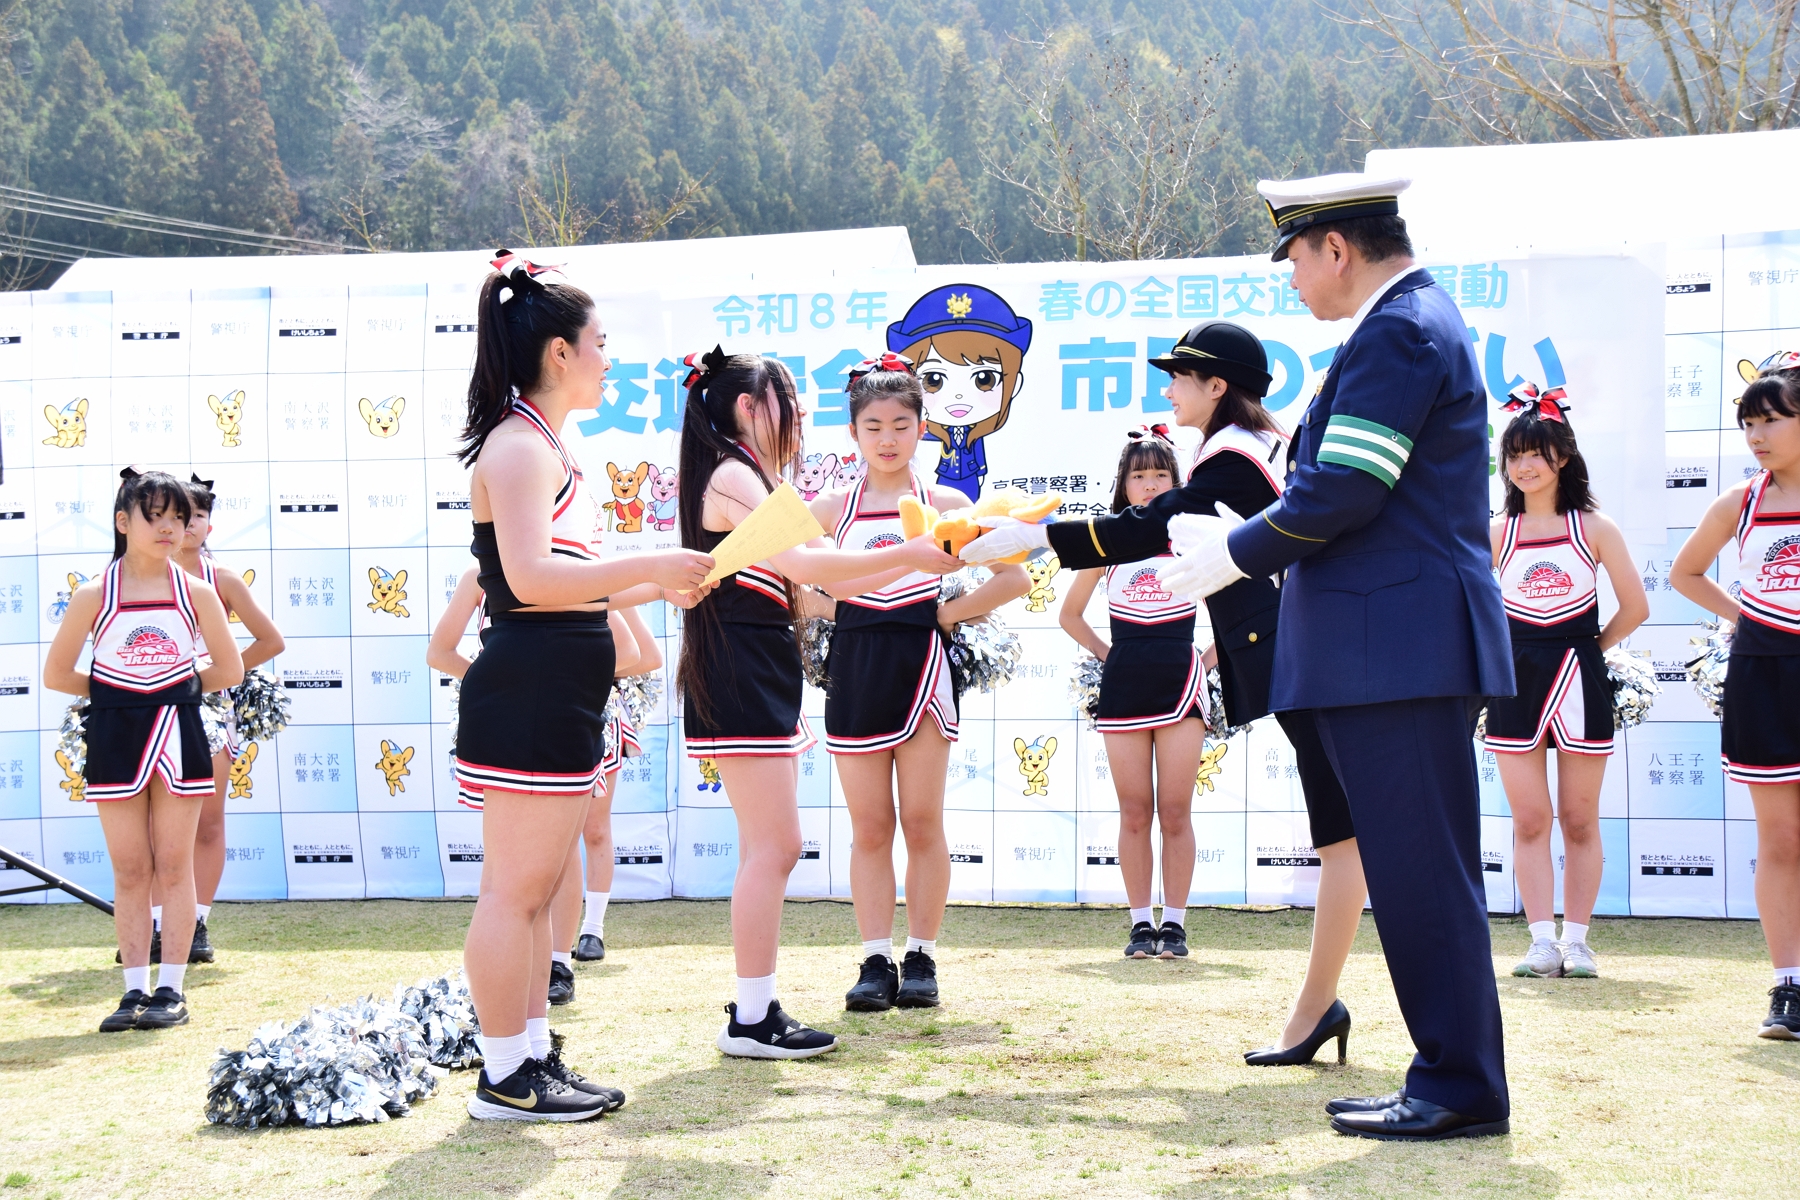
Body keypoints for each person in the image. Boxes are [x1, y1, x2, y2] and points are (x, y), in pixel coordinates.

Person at [1077, 175, 1515, 1139]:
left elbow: (1345, 488)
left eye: (1296, 260)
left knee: (1422, 872)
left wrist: (1228, 556)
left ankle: (1458, 1086)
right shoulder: (1403, 325)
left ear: (1337, 248)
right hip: (1391, 644)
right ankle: (1450, 1074)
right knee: (1415, 868)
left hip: (1396, 647)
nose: (1292, 281)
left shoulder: (1400, 331)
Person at [966, 322, 1365, 1066]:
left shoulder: (1234, 457)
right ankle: (1317, 1009)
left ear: (1217, 386)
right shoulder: (1251, 449)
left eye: (1179, 376)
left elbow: (1151, 527)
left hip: (1312, 654)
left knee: (1349, 835)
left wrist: (1037, 539)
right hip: (1307, 653)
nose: (1169, 389)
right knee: (1344, 836)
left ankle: (1327, 1010)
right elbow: (1157, 529)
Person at [453, 252, 713, 1122]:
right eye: (600, 343)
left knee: (537, 896)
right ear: (560, 352)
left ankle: (530, 1058)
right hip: (530, 687)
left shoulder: (545, 444)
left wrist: (661, 580)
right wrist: (651, 565)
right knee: (515, 895)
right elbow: (529, 581)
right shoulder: (520, 446)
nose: (609, 359)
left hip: (557, 688)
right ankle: (504, 1076)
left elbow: (575, 578)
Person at [676, 346, 963, 1058]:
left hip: (759, 664)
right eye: (788, 400)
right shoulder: (738, 476)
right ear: (750, 407)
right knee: (775, 846)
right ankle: (753, 1014)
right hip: (743, 666)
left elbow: (812, 581)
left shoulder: (750, 475)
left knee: (774, 845)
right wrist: (910, 556)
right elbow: (809, 568)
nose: (800, 413)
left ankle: (759, 1009)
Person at [805, 355, 1027, 1012]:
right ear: (853, 431)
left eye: (901, 424)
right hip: (855, 668)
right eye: (873, 426)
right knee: (870, 827)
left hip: (924, 668)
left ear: (922, 428)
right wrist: (835, 609)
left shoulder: (948, 506)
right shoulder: (829, 510)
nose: (888, 439)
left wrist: (944, 615)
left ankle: (921, 954)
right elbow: (785, 577)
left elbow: (1015, 577)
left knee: (923, 820)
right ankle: (875, 958)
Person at [44, 468, 243, 1032]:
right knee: (131, 869)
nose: (168, 527)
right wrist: (118, 695)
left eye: (178, 517)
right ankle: (132, 990)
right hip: (115, 736)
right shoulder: (94, 593)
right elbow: (57, 673)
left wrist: (170, 689)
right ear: (122, 522)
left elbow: (228, 669)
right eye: (153, 516)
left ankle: (171, 989)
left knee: (174, 866)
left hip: (178, 733)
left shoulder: (197, 592)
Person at [1486, 388, 1647, 980]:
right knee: (1530, 819)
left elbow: (1636, 606)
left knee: (1580, 819)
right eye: (1515, 455)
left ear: (1563, 457)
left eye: (1537, 453)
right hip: (1514, 684)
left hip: (1581, 678)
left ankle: (1577, 942)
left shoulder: (1595, 527)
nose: (1525, 466)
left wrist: (1590, 654)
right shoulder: (1495, 531)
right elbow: (1468, 609)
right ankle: (1540, 942)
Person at [1671, 352, 1800, 1041]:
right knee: (1780, 838)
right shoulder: (1739, 502)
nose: (1756, 436)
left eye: (1771, 420)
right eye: (1748, 423)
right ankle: (1790, 986)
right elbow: (1686, 572)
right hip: (1764, 676)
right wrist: (1746, 616)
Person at [1055, 428, 1204, 962]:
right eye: (1139, 475)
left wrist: (1204, 663)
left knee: (1176, 811)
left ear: (1177, 481)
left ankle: (1175, 925)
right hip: (1125, 687)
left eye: (1161, 474)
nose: (1149, 484)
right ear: (1123, 484)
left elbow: (1240, 612)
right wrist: (1111, 656)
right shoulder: (1107, 542)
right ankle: (1141, 923)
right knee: (1135, 811)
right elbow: (1069, 615)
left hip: (1181, 685)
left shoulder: (1193, 538)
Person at [161, 473, 285, 965]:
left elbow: (271, 641)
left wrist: (212, 675)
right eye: (176, 515)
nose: (187, 524)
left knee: (207, 822)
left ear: (209, 525)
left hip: (208, 711)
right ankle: (156, 925)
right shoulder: (132, 577)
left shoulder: (223, 580)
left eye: (197, 515)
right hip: (147, 710)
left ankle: (194, 924)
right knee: (154, 826)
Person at [571, 605, 662, 966]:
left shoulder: (606, 588)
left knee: (594, 829)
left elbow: (648, 657)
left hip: (596, 719)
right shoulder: (523, 585)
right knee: (553, 837)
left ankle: (592, 929)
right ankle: (549, 941)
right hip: (540, 716)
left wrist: (576, 672)